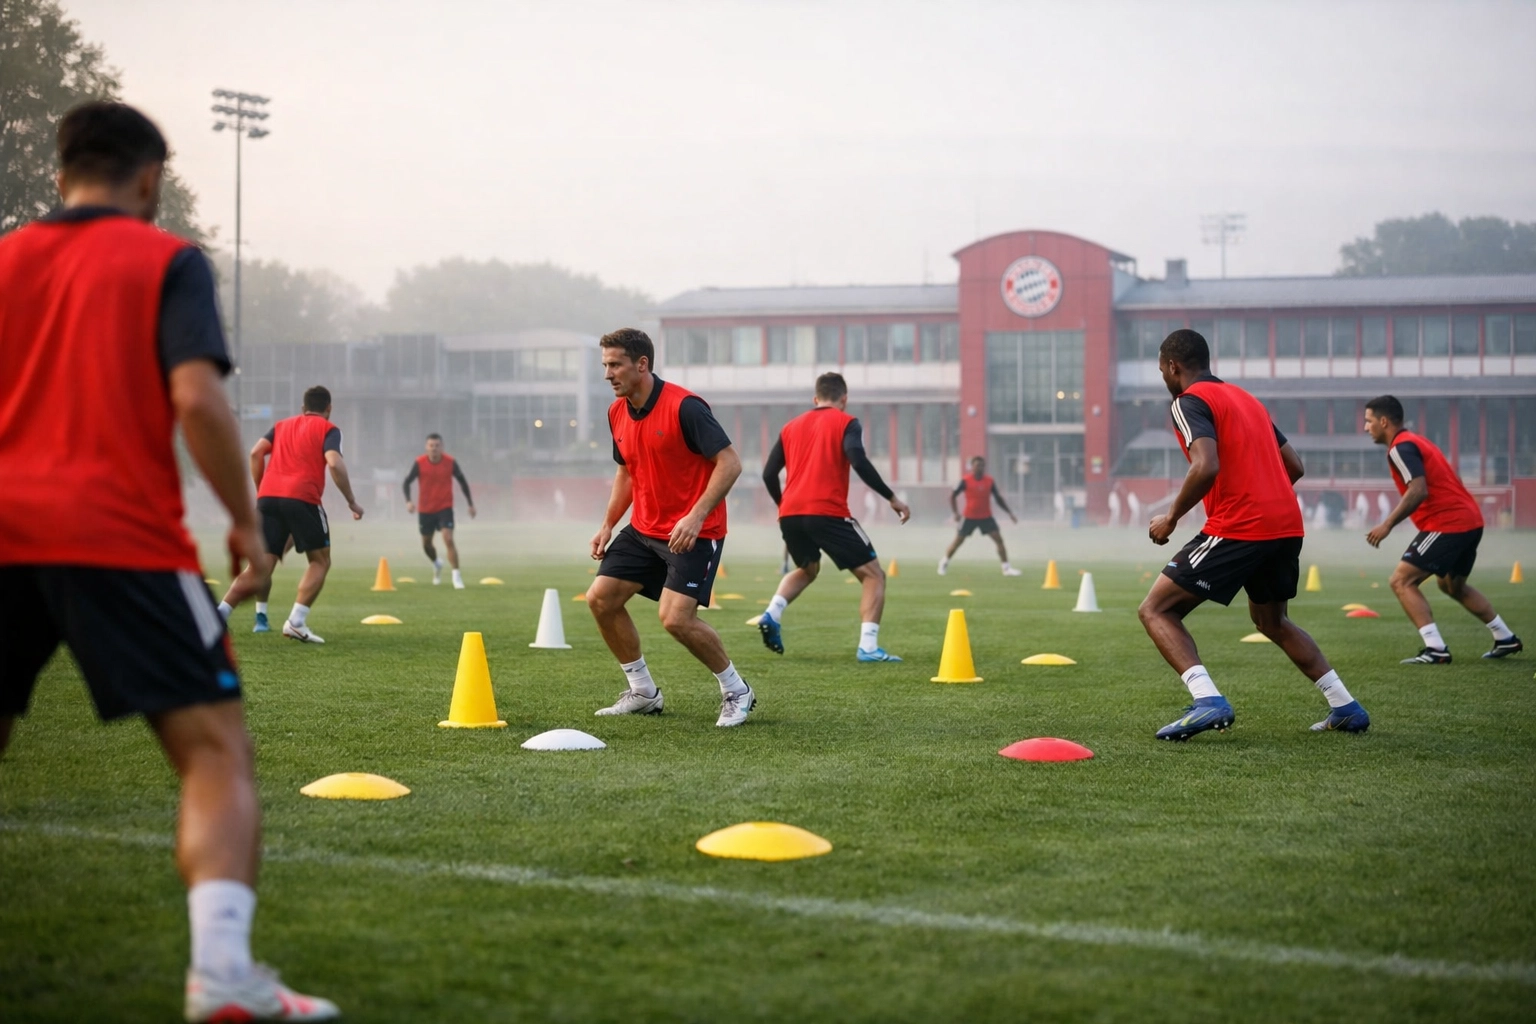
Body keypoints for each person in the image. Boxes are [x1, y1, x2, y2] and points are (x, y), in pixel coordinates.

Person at [0, 102, 337, 1022]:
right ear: (149, 178)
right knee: (214, 751)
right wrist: (242, 524)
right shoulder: (166, 258)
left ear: (60, 166)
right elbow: (195, 396)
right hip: (116, 537)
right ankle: (222, 974)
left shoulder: (5, 257)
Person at [1136, 330, 1369, 740]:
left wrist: (1171, 518)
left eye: (1161, 370)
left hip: (1241, 525)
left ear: (1173, 366)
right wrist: (1266, 496)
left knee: (1156, 609)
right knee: (1271, 620)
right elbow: (1294, 466)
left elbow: (1205, 466)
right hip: (1286, 525)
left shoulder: (1187, 402)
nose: (1163, 378)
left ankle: (1207, 700)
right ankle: (1346, 707)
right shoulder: (1249, 401)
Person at [584, 329, 754, 726]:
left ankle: (737, 690)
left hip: (696, 532)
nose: (608, 374)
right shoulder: (617, 412)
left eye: (615, 365)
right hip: (643, 530)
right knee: (600, 599)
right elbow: (626, 472)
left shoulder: (686, 407)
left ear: (641, 364)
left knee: (676, 619)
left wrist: (695, 516)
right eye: (605, 365)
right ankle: (643, 692)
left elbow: (730, 463)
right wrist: (608, 524)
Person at [756, 373, 912, 661]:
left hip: (791, 514)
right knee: (874, 575)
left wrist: (783, 506)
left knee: (808, 568)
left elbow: (768, 474)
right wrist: (892, 497)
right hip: (827, 511)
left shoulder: (790, 426)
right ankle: (868, 647)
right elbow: (858, 459)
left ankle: (772, 613)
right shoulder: (846, 422)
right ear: (844, 399)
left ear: (815, 399)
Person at [1364, 395, 1521, 663]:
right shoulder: (1418, 440)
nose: (1366, 427)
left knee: (1401, 581)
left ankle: (1436, 649)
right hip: (1470, 521)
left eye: (1368, 421)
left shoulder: (1399, 447)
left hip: (1448, 524)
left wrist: (1387, 524)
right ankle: (1505, 637)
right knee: (1451, 586)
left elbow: (1418, 490)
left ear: (1383, 421)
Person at [218, 386, 363, 644]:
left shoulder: (281, 425)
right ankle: (296, 622)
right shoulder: (330, 430)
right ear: (328, 408)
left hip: (268, 499)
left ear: (302, 408)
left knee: (259, 568)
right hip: (302, 499)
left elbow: (255, 453)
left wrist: (263, 488)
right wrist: (351, 501)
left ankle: (218, 617)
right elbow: (334, 462)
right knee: (320, 561)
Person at [403, 432, 476, 588]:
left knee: (448, 539)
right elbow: (406, 482)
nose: (434, 449)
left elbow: (463, 482)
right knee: (426, 544)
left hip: (445, 508)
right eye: (431, 446)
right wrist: (408, 501)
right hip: (425, 510)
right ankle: (436, 563)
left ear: (442, 447)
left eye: (437, 446)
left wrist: (470, 504)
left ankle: (456, 576)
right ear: (426, 447)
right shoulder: (419, 463)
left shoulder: (450, 462)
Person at [938, 456, 1022, 576]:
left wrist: (1010, 513)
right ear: (972, 467)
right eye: (977, 465)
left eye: (982, 465)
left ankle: (1006, 568)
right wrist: (955, 513)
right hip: (969, 516)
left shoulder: (989, 481)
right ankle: (944, 562)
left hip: (986, 517)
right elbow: (952, 496)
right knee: (958, 541)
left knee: (999, 540)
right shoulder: (965, 480)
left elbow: (998, 498)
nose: (980, 468)